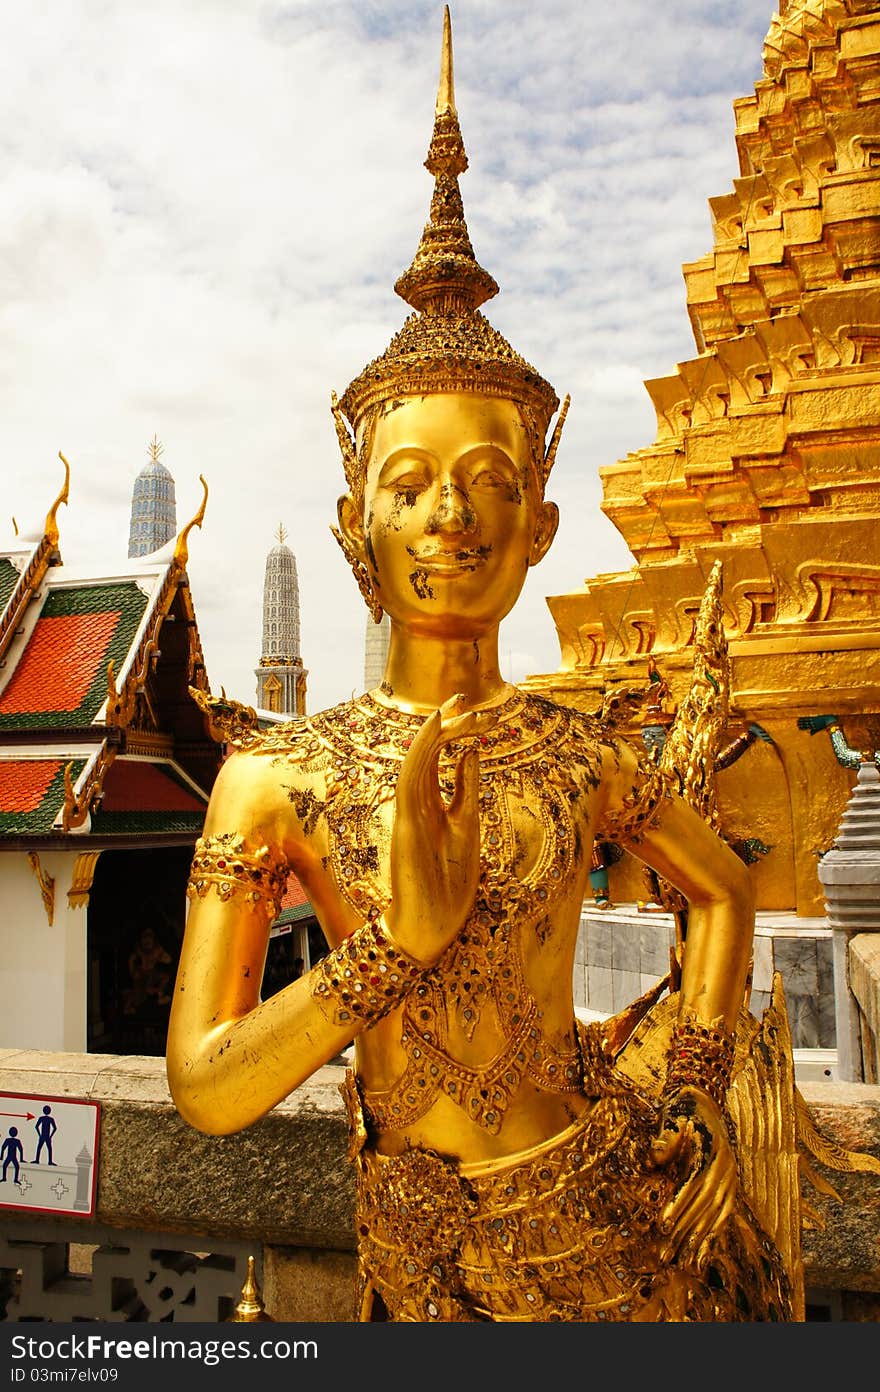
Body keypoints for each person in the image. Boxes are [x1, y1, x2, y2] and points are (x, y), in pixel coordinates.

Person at [167, 11, 800, 1321]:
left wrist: (686, 1095)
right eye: (409, 487)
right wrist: (389, 951)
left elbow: (726, 896)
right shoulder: (276, 777)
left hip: (602, 1222)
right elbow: (207, 1084)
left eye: (488, 485)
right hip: (404, 1249)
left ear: (538, 531)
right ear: (357, 529)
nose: (450, 516)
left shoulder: (582, 755)